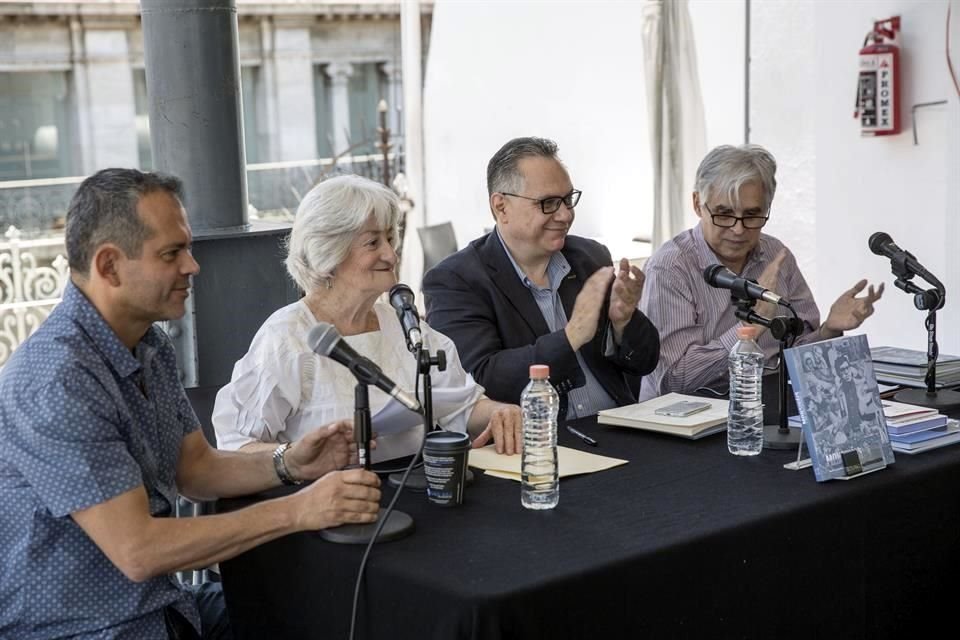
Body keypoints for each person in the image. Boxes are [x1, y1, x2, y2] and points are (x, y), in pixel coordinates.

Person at [0, 169, 382, 640]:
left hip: (166, 609)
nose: (193, 266)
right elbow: (138, 550)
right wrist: (299, 511)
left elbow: (195, 469)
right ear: (109, 266)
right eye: (171, 253)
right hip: (90, 630)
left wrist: (291, 464)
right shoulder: (56, 379)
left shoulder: (148, 343)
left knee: (338, 611)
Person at [213, 174, 522, 461]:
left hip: (411, 495)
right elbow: (235, 447)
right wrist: (301, 457)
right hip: (324, 504)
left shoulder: (403, 325)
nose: (391, 254)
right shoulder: (287, 337)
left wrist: (499, 412)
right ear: (328, 255)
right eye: (373, 242)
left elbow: (462, 405)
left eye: (390, 238)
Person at [423, 137, 660, 418]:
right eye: (548, 203)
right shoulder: (456, 280)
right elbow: (483, 381)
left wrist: (624, 322)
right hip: (537, 442)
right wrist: (570, 337)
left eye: (568, 199)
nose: (565, 214)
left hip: (617, 426)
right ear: (501, 207)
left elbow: (645, 363)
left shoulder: (588, 257)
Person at [638, 144, 884, 400]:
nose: (738, 230)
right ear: (698, 204)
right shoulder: (670, 267)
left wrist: (828, 330)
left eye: (752, 215)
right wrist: (749, 327)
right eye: (724, 214)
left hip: (764, 404)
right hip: (682, 420)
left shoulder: (775, 255)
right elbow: (673, 381)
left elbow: (795, 357)